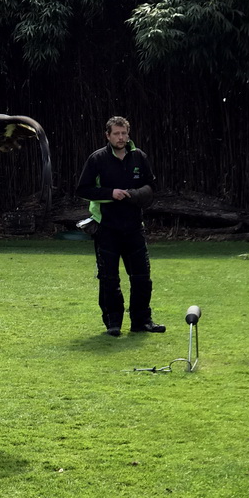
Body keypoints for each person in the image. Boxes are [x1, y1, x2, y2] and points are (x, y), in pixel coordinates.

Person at [75, 115, 165, 337]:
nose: (121, 137)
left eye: (124, 133)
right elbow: (83, 189)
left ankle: (142, 321)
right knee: (109, 278)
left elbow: (152, 187)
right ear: (108, 135)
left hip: (134, 227)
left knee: (142, 277)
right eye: (116, 133)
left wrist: (134, 195)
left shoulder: (139, 157)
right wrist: (110, 193)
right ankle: (113, 323)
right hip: (106, 228)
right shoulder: (97, 159)